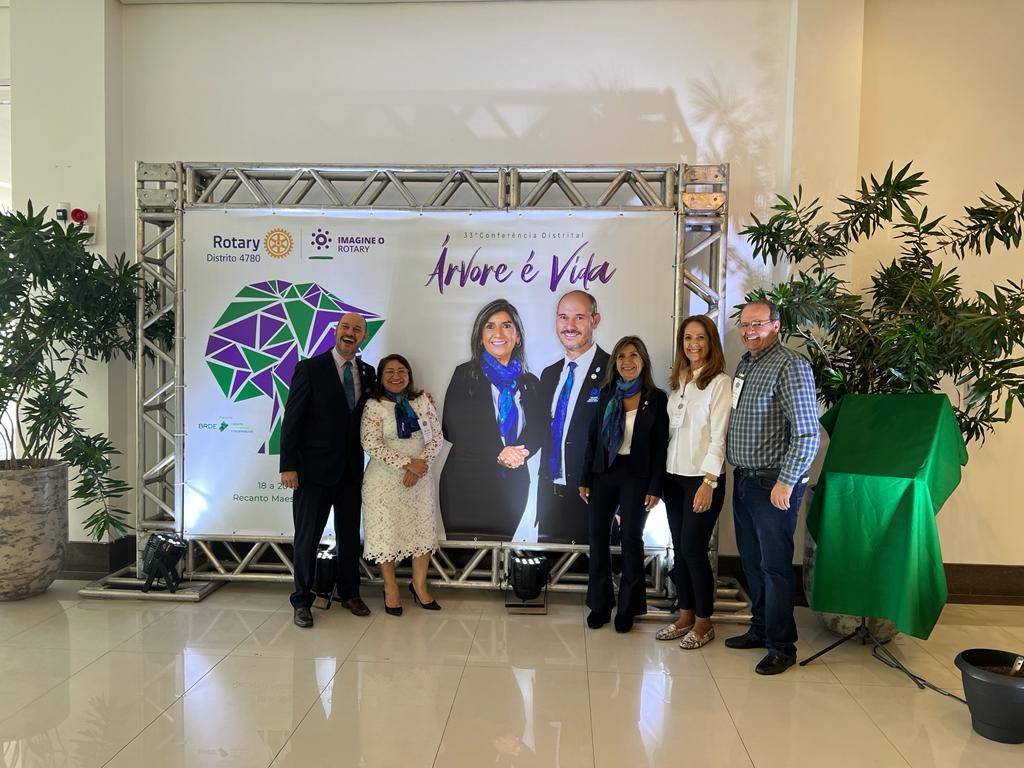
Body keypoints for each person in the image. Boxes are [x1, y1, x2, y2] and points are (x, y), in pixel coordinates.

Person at [725, 300, 821, 674]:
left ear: (776, 325)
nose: (749, 331)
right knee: (752, 562)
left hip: (773, 484)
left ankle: (782, 646)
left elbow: (807, 434)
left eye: (758, 324)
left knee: (775, 567)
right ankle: (761, 628)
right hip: (745, 480)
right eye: (745, 325)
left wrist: (786, 480)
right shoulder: (745, 364)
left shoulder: (790, 366)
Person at [280, 313, 376, 628]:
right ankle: (301, 600)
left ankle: (350, 593)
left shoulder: (368, 372)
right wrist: (288, 465)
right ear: (336, 331)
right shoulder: (309, 368)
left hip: (351, 471)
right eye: (345, 327)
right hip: (312, 472)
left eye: (357, 329)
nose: (350, 333)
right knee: (307, 538)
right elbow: (292, 419)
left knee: (349, 537)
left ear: (363, 336)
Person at [580, 335, 668, 633]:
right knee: (597, 538)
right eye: (621, 356)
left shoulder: (656, 398)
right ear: (614, 363)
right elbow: (593, 439)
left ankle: (628, 608)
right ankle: (600, 605)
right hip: (603, 473)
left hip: (637, 476)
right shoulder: (606, 393)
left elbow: (660, 447)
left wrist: (655, 487)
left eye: (633, 356)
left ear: (643, 361)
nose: (627, 362)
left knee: (631, 539)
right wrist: (585, 478)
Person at [440, 298, 544, 541]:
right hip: (466, 483)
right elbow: (453, 427)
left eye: (506, 326)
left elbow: (538, 430)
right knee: (466, 558)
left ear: (518, 336)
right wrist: (499, 452)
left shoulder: (530, 383)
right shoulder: (464, 375)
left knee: (499, 554)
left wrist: (518, 453)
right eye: (490, 326)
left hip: (512, 486)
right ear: (480, 337)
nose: (498, 333)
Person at [655, 315, 730, 650]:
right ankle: (685, 615)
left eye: (700, 338)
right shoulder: (678, 380)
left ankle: (704, 621)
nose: (693, 344)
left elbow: (719, 436)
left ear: (711, 342)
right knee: (680, 549)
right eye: (687, 338)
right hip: (674, 478)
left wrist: (709, 482)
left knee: (693, 550)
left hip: (703, 480)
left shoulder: (720, 383)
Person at [360, 354, 444, 615]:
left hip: (419, 480)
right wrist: (408, 464)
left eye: (402, 371)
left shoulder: (421, 401)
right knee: (385, 534)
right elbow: (370, 443)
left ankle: (419, 586)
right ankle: (391, 588)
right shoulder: (373, 405)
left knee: (421, 532)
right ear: (380, 377)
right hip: (384, 481)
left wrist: (420, 466)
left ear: (409, 375)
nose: (396, 376)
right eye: (390, 372)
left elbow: (436, 438)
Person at [537, 290, 610, 543]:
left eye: (579, 317)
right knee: (551, 567)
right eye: (563, 317)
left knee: (594, 566)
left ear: (595, 320)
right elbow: (540, 431)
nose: (569, 326)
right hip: (551, 500)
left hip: (594, 497)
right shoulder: (549, 375)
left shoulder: (612, 372)